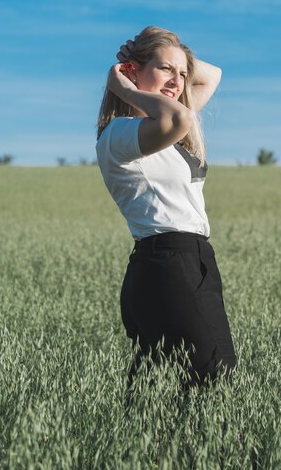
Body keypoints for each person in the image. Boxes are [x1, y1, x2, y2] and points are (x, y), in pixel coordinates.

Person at [95, 26, 236, 389]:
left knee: (216, 376)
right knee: (206, 377)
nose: (177, 81)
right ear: (133, 70)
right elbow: (179, 118)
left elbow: (212, 75)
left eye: (182, 74)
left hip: (198, 261)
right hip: (163, 265)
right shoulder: (119, 134)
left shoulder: (161, 130)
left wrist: (171, 53)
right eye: (164, 70)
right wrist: (124, 87)